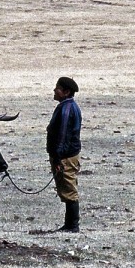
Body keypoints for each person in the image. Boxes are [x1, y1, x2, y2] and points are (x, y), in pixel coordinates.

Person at [46, 77, 82, 232]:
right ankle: (70, 224)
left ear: (66, 92)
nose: (54, 90)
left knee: (69, 189)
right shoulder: (67, 106)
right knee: (67, 187)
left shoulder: (66, 109)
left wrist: (58, 157)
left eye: (58, 88)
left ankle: (72, 225)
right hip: (66, 155)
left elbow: (62, 135)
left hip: (65, 157)